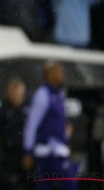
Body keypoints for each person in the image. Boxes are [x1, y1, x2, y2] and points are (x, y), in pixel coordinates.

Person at [22, 61, 79, 190]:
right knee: (70, 185)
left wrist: (66, 140)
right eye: (59, 71)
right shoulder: (43, 94)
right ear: (49, 73)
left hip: (58, 149)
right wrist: (28, 151)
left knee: (45, 185)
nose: (62, 74)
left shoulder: (60, 93)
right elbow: (32, 124)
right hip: (48, 151)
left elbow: (60, 121)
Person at [0, 77, 29, 190]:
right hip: (6, 157)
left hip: (26, 156)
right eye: (14, 93)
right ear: (9, 92)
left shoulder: (29, 109)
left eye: (20, 94)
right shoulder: (1, 111)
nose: (17, 97)